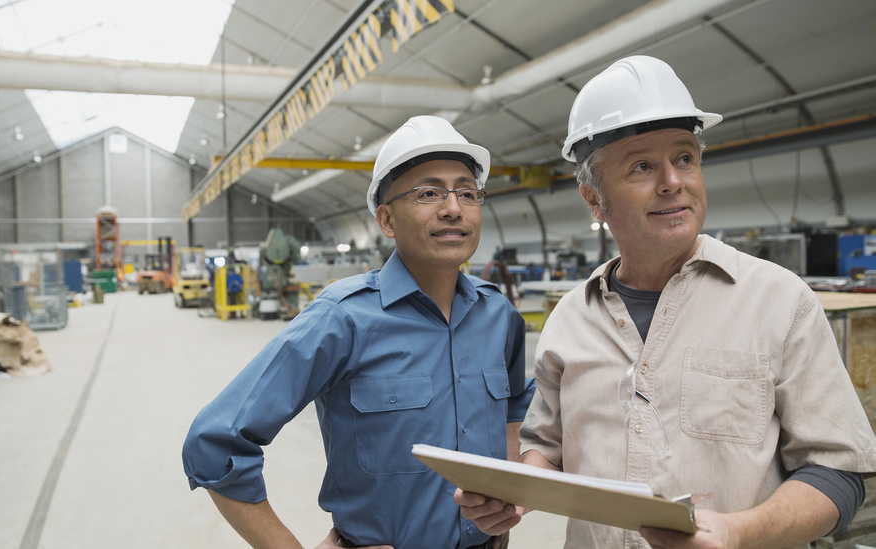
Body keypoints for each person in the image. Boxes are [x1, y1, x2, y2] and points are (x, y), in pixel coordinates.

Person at [456, 55, 876, 549]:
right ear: (594, 199)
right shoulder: (570, 318)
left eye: (684, 158)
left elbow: (839, 474)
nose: (673, 181)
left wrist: (737, 533)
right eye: (641, 166)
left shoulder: (781, 303)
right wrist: (514, 493)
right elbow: (546, 449)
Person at [183, 115, 534, 549]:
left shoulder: (497, 314)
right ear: (387, 220)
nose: (453, 208)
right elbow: (214, 443)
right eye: (428, 193)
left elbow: (516, 403)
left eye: (467, 192)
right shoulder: (342, 319)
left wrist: (508, 488)